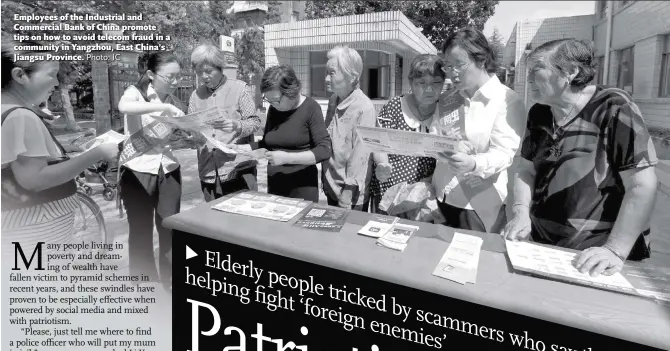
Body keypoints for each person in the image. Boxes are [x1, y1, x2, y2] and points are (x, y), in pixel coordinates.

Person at [502, 39, 658, 277]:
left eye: (536, 70)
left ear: (570, 72)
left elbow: (642, 184)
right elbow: (526, 170)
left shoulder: (613, 106)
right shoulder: (540, 112)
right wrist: (520, 212)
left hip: (596, 257)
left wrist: (614, 250)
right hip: (542, 247)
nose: (527, 79)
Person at [1, 41, 119, 259]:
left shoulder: (6, 111)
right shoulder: (20, 116)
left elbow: (16, 158)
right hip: (38, 226)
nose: (56, 82)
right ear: (19, 75)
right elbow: (34, 179)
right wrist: (97, 153)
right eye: (51, 74)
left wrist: (64, 150)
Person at [433, 27, 526, 233]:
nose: (453, 74)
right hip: (441, 197)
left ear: (481, 60)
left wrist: (474, 163)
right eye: (448, 66)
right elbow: (432, 136)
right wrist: (446, 144)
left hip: (477, 206)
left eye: (459, 65)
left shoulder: (506, 100)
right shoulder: (448, 98)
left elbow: (505, 153)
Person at [117, 51, 185, 289]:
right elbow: (123, 106)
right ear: (150, 74)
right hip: (138, 170)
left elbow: (178, 136)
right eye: (170, 77)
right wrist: (163, 107)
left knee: (170, 227)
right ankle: (143, 285)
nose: (175, 82)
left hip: (168, 169)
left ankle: (171, 281)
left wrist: (187, 136)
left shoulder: (176, 103)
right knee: (140, 231)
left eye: (179, 76)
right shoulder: (135, 93)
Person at [233, 65, 331, 202]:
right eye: (268, 100)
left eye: (276, 100)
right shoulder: (274, 109)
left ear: (292, 92)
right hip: (275, 184)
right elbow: (268, 142)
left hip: (302, 187)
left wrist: (287, 158)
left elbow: (324, 150)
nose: (272, 105)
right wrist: (244, 148)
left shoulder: (311, 108)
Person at [369, 54, 444, 215]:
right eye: (421, 83)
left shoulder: (447, 110)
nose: (429, 89)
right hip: (391, 193)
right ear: (411, 82)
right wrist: (382, 163)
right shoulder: (394, 106)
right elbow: (379, 144)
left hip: (427, 197)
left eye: (436, 82)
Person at [187, 44, 262, 201]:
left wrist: (238, 125)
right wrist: (188, 135)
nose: (204, 76)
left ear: (220, 67)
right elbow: (191, 126)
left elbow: (255, 122)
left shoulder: (240, 89)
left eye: (208, 71)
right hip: (208, 171)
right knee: (213, 221)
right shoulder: (195, 95)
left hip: (238, 168)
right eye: (199, 72)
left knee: (241, 221)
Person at [321, 46, 377, 210]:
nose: (326, 78)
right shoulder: (334, 100)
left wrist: (347, 194)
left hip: (350, 194)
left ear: (352, 77)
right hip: (331, 184)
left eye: (332, 73)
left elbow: (360, 157)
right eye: (327, 72)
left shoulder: (364, 108)